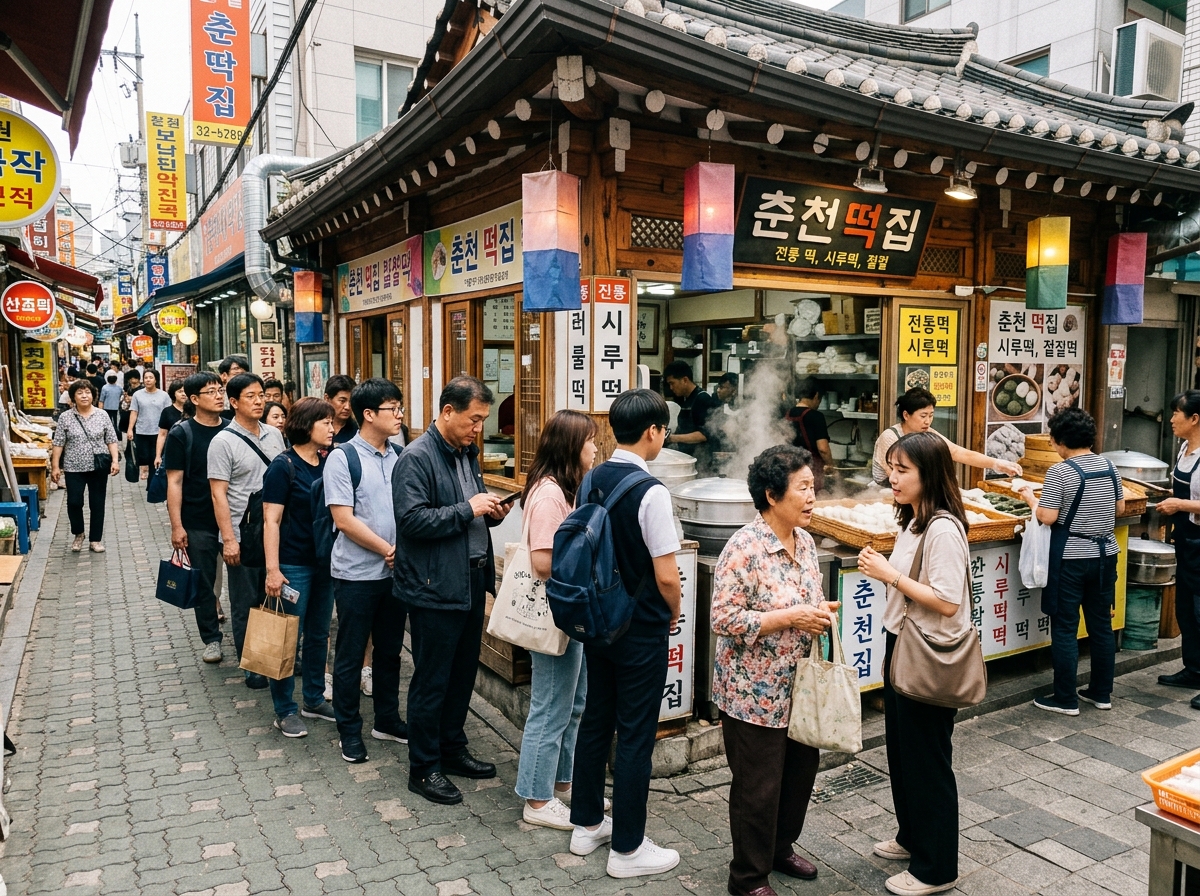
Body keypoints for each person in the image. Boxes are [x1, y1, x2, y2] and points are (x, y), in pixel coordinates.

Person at [712, 444, 840, 896]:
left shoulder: (804, 541)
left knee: (799, 776)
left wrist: (819, 611)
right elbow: (723, 619)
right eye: (803, 488)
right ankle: (747, 877)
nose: (812, 497)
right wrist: (791, 618)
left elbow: (805, 598)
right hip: (752, 694)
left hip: (798, 687)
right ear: (771, 495)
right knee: (757, 789)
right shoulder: (743, 549)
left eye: (814, 487)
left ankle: (779, 848)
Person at [567, 388, 682, 879]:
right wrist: (674, 612)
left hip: (597, 621)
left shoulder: (590, 478)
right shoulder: (651, 491)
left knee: (596, 720)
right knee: (635, 735)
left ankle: (587, 823)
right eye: (664, 430)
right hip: (639, 629)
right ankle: (628, 849)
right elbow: (667, 576)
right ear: (654, 432)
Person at [857, 432, 971, 896]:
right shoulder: (914, 520)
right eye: (891, 467)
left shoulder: (944, 528)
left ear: (930, 474)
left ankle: (937, 868)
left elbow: (946, 602)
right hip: (901, 643)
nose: (893, 477)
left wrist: (890, 575)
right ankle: (912, 837)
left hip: (928, 653)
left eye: (903, 469)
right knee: (902, 754)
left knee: (927, 761)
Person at [394, 376, 512, 804]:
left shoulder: (467, 453)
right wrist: (468, 509)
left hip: (470, 579)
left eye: (482, 419)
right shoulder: (416, 457)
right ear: (448, 412)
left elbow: (469, 509)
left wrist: (490, 512)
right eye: (473, 419)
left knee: (463, 673)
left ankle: (451, 748)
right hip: (434, 584)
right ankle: (423, 768)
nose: (478, 427)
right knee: (432, 679)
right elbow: (411, 521)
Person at [515, 410, 599, 830]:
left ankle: (561, 782)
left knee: (574, 702)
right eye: (590, 442)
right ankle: (536, 799)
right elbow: (543, 561)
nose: (595, 449)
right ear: (571, 447)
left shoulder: (567, 487)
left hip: (569, 613)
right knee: (550, 707)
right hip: (553, 615)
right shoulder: (549, 494)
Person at [1018, 408, 1123, 715]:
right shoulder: (1109, 466)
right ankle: (1101, 693)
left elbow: (1047, 517)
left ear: (1060, 440)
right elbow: (1118, 508)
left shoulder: (1061, 472)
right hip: (1106, 555)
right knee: (1101, 625)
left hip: (1071, 559)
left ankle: (1065, 698)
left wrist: (1030, 499)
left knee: (1065, 627)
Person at [326, 378, 408, 763]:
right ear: (369, 414)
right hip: (357, 575)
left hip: (394, 575)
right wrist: (388, 549)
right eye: (393, 408)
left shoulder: (400, 455)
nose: (400, 415)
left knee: (390, 652)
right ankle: (349, 731)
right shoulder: (343, 457)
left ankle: (387, 720)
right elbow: (343, 519)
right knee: (351, 653)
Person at [262, 397, 338, 738]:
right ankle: (284, 710)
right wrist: (273, 570)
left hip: (325, 563)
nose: (332, 428)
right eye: (325, 422)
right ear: (307, 426)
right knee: (285, 639)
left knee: (319, 633)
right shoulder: (283, 466)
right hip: (293, 564)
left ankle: (313, 698)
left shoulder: (328, 463)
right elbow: (271, 521)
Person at [208, 372, 286, 689]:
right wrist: (229, 540)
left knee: (271, 599)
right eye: (251, 396)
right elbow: (218, 494)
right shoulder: (222, 442)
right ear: (234, 402)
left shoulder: (274, 435)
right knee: (245, 603)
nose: (258, 401)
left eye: (261, 395)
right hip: (242, 534)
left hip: (274, 530)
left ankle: (271, 656)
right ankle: (252, 665)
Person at [165, 372, 229, 665]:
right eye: (211, 391)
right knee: (205, 582)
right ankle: (212, 639)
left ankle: (247, 637)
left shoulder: (232, 430)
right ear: (194, 399)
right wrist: (177, 526)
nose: (219, 396)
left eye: (220, 390)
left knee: (245, 581)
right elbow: (175, 482)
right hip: (199, 519)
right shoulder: (182, 433)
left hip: (234, 519)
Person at [872, 388, 1021, 486]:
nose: (928, 421)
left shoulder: (927, 433)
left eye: (931, 415)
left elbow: (957, 452)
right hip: (885, 492)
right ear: (906, 415)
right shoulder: (890, 437)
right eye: (923, 416)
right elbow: (897, 478)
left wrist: (996, 463)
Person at [1158, 391, 1200, 701]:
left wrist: (1179, 504)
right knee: (1186, 608)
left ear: (1195, 419)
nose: (1171, 419)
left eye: (1177, 413)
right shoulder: (1185, 448)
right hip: (1186, 539)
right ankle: (1194, 670)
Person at [51, 381, 120, 553]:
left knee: (97, 503)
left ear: (93, 395)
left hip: (98, 466)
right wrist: (55, 467)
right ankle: (78, 533)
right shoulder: (65, 417)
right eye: (80, 393)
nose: (84, 396)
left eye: (87, 392)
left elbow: (111, 439)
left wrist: (115, 460)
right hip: (73, 466)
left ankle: (95, 539)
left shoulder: (102, 415)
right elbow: (58, 443)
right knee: (74, 502)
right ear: (73, 397)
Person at [663, 360, 719, 474]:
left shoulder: (702, 399)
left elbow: (704, 435)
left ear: (684, 380)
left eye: (672, 383)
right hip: (689, 459)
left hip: (702, 463)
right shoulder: (686, 399)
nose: (671, 388)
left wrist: (671, 438)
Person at [786, 378, 836, 492]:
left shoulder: (787, 413)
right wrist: (831, 466)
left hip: (789, 469)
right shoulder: (816, 416)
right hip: (811, 470)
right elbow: (823, 448)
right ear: (817, 395)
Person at [128, 370, 172, 480]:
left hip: (159, 432)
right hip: (142, 430)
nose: (148, 380)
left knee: (155, 456)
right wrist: (130, 429)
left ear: (156, 379)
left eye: (150, 377)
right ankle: (145, 471)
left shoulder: (164, 395)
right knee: (143, 456)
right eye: (146, 377)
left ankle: (152, 480)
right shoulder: (137, 395)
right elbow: (134, 412)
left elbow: (168, 412)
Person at [154, 380, 188, 470]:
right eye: (180, 391)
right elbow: (162, 434)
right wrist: (158, 456)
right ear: (173, 394)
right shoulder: (167, 411)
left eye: (185, 391)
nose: (184, 394)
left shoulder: (195, 411)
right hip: (172, 452)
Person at [325, 374, 359, 444]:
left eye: (351, 402)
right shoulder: (314, 428)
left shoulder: (357, 432)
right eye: (342, 401)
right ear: (327, 398)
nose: (347, 407)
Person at [218, 356, 251, 420]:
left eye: (243, 375)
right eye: (236, 375)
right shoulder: (219, 395)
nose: (240, 379)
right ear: (224, 376)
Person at [119, 371, 140, 438]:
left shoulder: (141, 390)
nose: (130, 381)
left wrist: (132, 399)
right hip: (126, 415)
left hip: (136, 416)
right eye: (130, 379)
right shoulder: (128, 388)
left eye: (132, 379)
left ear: (137, 379)